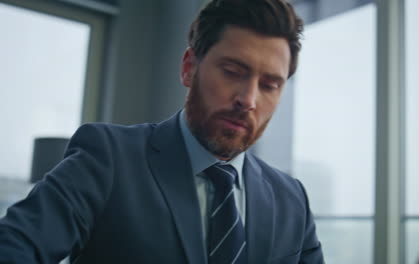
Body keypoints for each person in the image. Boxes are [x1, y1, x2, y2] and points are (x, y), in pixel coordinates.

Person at [0, 0, 324, 263]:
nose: (248, 100)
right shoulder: (109, 156)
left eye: (269, 85)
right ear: (188, 67)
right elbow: (15, 245)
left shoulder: (292, 198)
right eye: (232, 72)